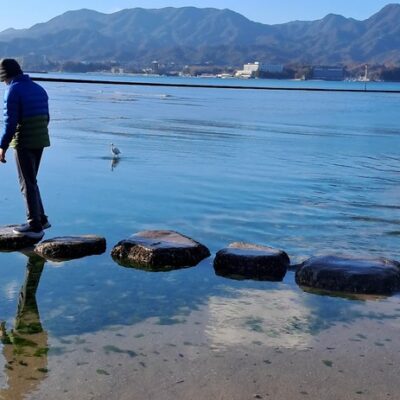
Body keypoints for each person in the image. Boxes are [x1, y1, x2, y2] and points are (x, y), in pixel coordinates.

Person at [0, 58, 51, 239]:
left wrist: (2, 146)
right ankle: (42, 218)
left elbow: (10, 123)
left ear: (5, 75)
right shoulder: (38, 88)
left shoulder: (13, 90)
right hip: (41, 139)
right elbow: (47, 117)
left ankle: (34, 225)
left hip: (24, 140)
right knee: (32, 180)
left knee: (26, 183)